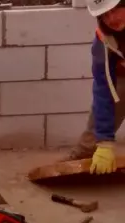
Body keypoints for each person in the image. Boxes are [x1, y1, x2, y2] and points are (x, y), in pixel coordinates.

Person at [61, 0, 125, 174]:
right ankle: (86, 152)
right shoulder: (103, 39)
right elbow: (103, 90)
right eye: (104, 15)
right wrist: (104, 142)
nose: (111, 19)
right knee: (114, 93)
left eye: (114, 10)